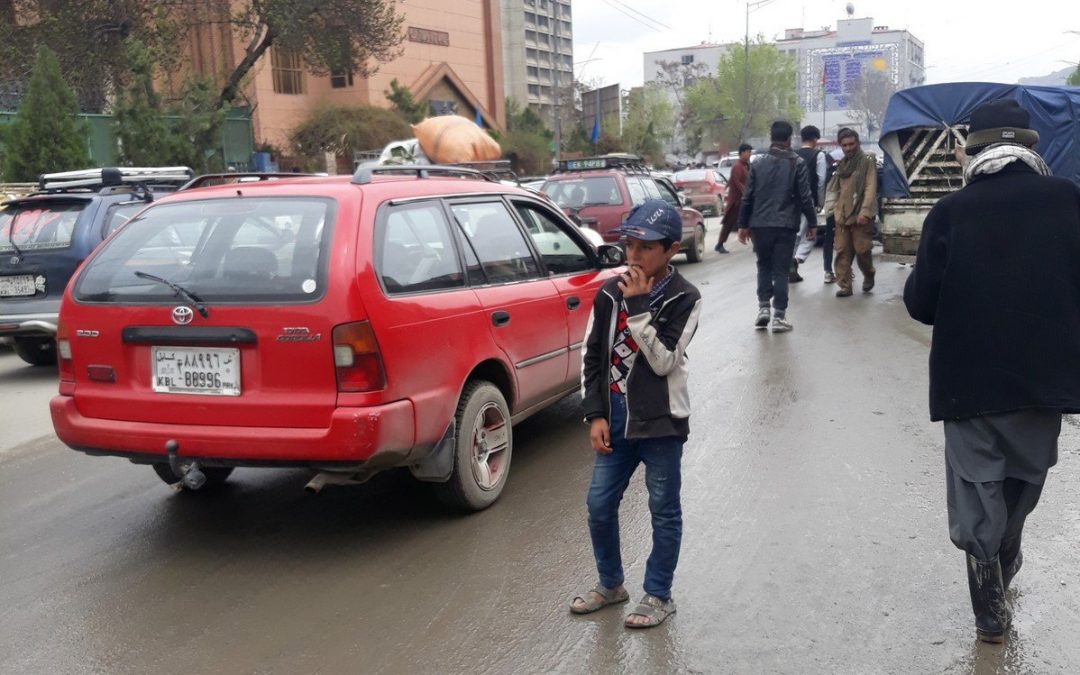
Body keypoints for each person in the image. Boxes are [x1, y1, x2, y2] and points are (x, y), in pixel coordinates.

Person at [904, 99, 1080, 643]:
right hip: (1045, 381)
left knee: (978, 488)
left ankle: (989, 611)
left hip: (969, 384)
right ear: (1030, 147)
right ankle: (1006, 559)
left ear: (971, 152)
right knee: (1023, 480)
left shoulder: (952, 211)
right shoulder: (1069, 200)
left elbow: (921, 304)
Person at [571, 198, 703, 629]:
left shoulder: (686, 297)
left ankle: (658, 595)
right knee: (599, 505)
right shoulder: (609, 293)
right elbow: (593, 356)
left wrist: (641, 309)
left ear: (670, 249)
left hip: (660, 422)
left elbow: (663, 361)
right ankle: (611, 585)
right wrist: (595, 414)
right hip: (616, 420)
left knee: (663, 508)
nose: (633, 256)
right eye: (629, 245)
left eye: (645, 247)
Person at [736, 120, 816, 332]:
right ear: (789, 138)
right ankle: (779, 316)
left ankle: (763, 309)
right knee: (781, 270)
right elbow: (805, 197)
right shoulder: (796, 162)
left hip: (759, 225)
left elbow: (747, 197)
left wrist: (743, 225)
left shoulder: (757, 162)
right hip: (786, 225)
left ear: (771, 137)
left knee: (763, 265)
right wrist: (813, 223)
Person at [828, 128, 877, 297]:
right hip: (842, 216)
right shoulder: (842, 165)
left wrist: (864, 211)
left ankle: (869, 274)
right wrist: (833, 211)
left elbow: (871, 186)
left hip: (861, 215)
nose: (848, 148)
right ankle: (845, 285)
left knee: (862, 250)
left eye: (851, 144)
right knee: (842, 251)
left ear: (857, 143)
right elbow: (836, 190)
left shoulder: (867, 161)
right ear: (840, 146)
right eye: (844, 145)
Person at [790, 126, 828, 282]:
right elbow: (821, 181)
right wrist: (820, 202)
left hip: (791, 201)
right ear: (815, 139)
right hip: (809, 200)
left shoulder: (792, 155)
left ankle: (791, 264)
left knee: (794, 235)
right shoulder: (818, 155)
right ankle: (796, 260)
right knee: (810, 235)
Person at [716, 143, 752, 253]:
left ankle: (757, 244)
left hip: (743, 199)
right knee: (729, 223)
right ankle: (720, 244)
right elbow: (737, 183)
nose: (750, 154)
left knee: (751, 220)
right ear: (742, 153)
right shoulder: (737, 166)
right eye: (748, 152)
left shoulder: (746, 165)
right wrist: (747, 194)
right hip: (736, 201)